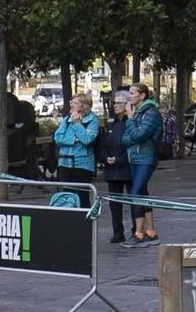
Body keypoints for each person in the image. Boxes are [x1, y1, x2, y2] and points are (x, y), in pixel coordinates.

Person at [123, 84, 163, 245]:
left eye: (132, 93)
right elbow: (126, 138)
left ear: (143, 95)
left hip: (146, 158)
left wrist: (131, 121)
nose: (129, 96)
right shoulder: (137, 112)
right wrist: (133, 131)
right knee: (142, 193)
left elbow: (139, 135)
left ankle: (138, 232)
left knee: (135, 192)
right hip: (134, 157)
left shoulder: (150, 113)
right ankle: (151, 231)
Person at [96, 93, 133, 245]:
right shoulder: (110, 123)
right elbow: (103, 145)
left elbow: (132, 145)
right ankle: (117, 232)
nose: (115, 105)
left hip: (128, 168)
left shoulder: (131, 122)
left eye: (119, 103)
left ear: (127, 105)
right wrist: (105, 158)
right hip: (112, 169)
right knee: (114, 203)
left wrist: (120, 159)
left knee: (133, 200)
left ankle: (137, 230)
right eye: (114, 103)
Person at [51, 94, 99, 183]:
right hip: (64, 162)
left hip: (82, 164)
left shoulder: (92, 121)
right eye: (71, 102)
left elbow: (87, 139)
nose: (71, 105)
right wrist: (74, 140)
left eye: (75, 103)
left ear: (84, 106)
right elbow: (57, 138)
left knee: (81, 195)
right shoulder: (66, 120)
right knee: (67, 195)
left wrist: (77, 124)